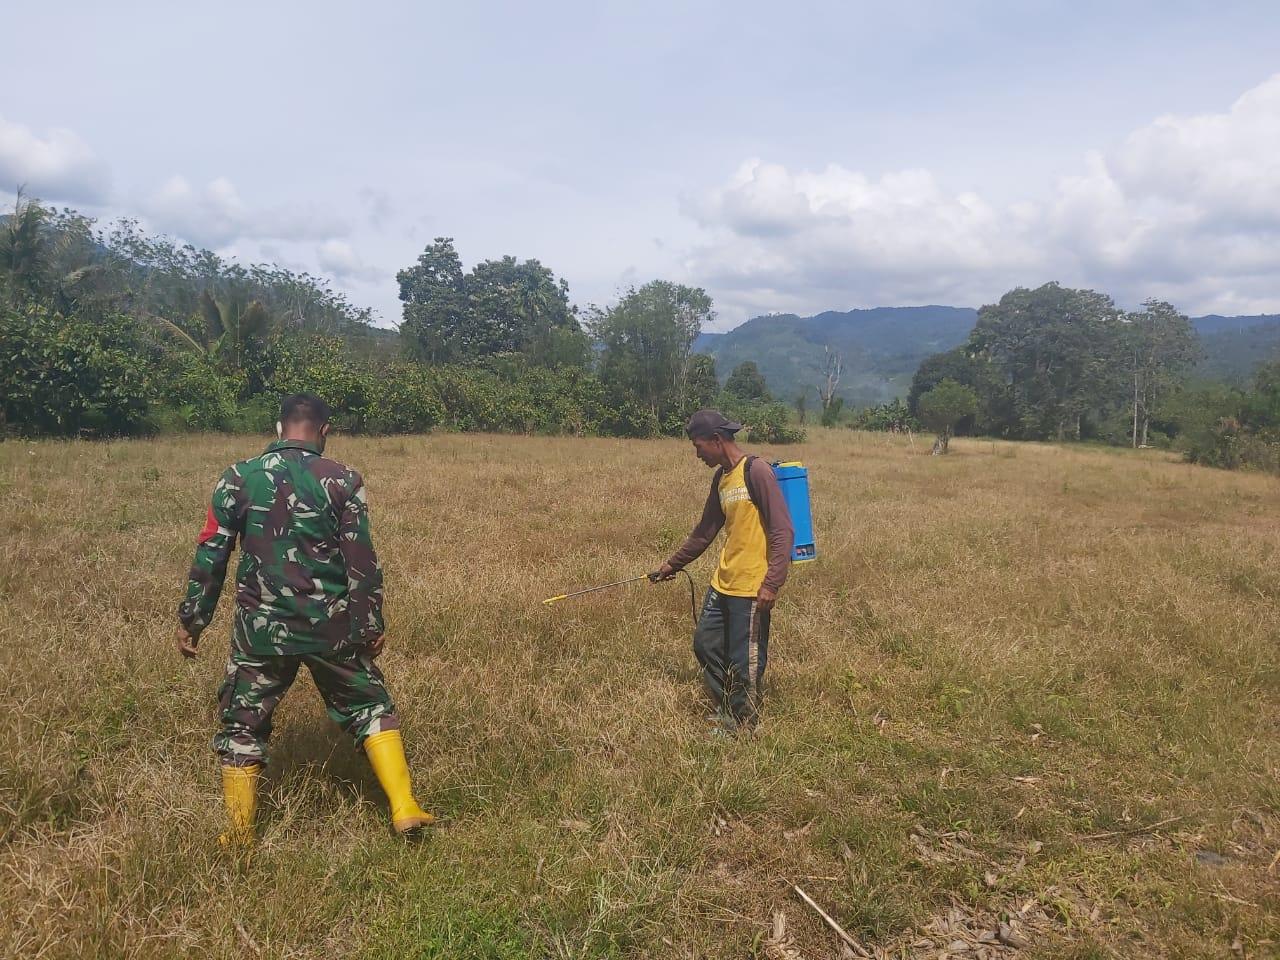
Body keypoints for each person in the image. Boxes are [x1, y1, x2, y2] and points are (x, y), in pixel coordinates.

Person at [174, 393, 433, 844]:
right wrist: (369, 625)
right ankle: (404, 806)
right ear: (325, 431)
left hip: (260, 630)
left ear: (278, 428)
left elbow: (211, 553)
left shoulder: (238, 478)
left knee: (242, 723)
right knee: (370, 707)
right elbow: (362, 562)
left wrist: (193, 619)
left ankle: (239, 833)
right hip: (331, 627)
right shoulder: (344, 479)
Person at [651, 409, 794, 730]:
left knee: (746, 661)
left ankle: (744, 725)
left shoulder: (757, 471)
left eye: (698, 446)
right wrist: (673, 564)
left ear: (716, 440)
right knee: (705, 644)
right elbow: (705, 532)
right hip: (723, 582)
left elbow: (783, 530)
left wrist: (772, 583)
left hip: (752, 586)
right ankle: (729, 708)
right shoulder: (721, 479)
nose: (697, 454)